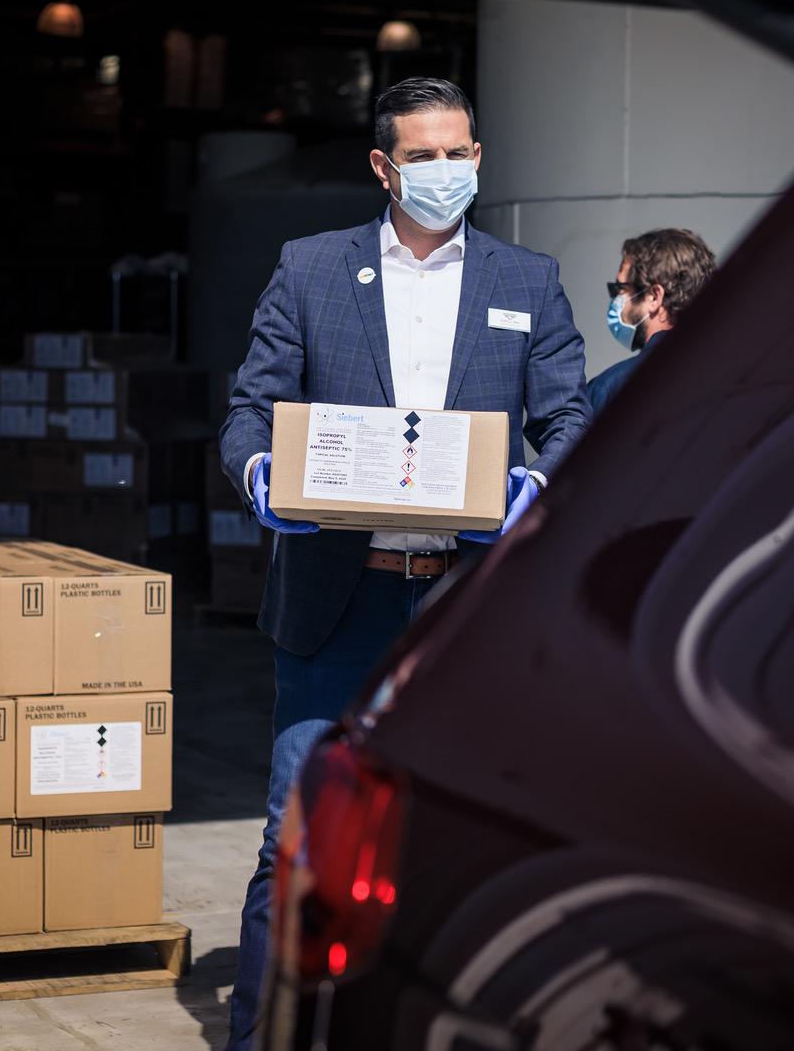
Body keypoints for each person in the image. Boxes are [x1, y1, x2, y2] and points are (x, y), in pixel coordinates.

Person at [218, 76, 589, 1046]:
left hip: (466, 612)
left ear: (479, 157)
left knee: (457, 845)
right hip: (340, 605)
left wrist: (537, 487)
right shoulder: (311, 268)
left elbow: (570, 419)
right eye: (423, 155)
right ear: (385, 167)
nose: (444, 170)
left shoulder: (527, 280)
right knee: (297, 836)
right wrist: (261, 473)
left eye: (458, 153)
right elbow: (251, 407)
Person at [587, 227, 716, 417]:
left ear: (654, 297)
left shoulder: (608, 389)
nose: (615, 299)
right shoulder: (736, 374)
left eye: (620, 288)